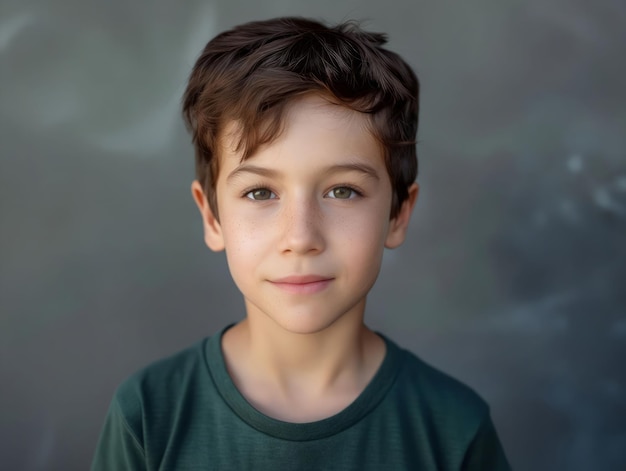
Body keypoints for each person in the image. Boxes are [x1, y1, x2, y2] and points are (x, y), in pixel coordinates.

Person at [92, 17, 511, 470]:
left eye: (343, 191)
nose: (300, 238)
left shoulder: (453, 429)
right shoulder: (149, 415)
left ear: (397, 214)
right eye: (260, 193)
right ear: (212, 217)